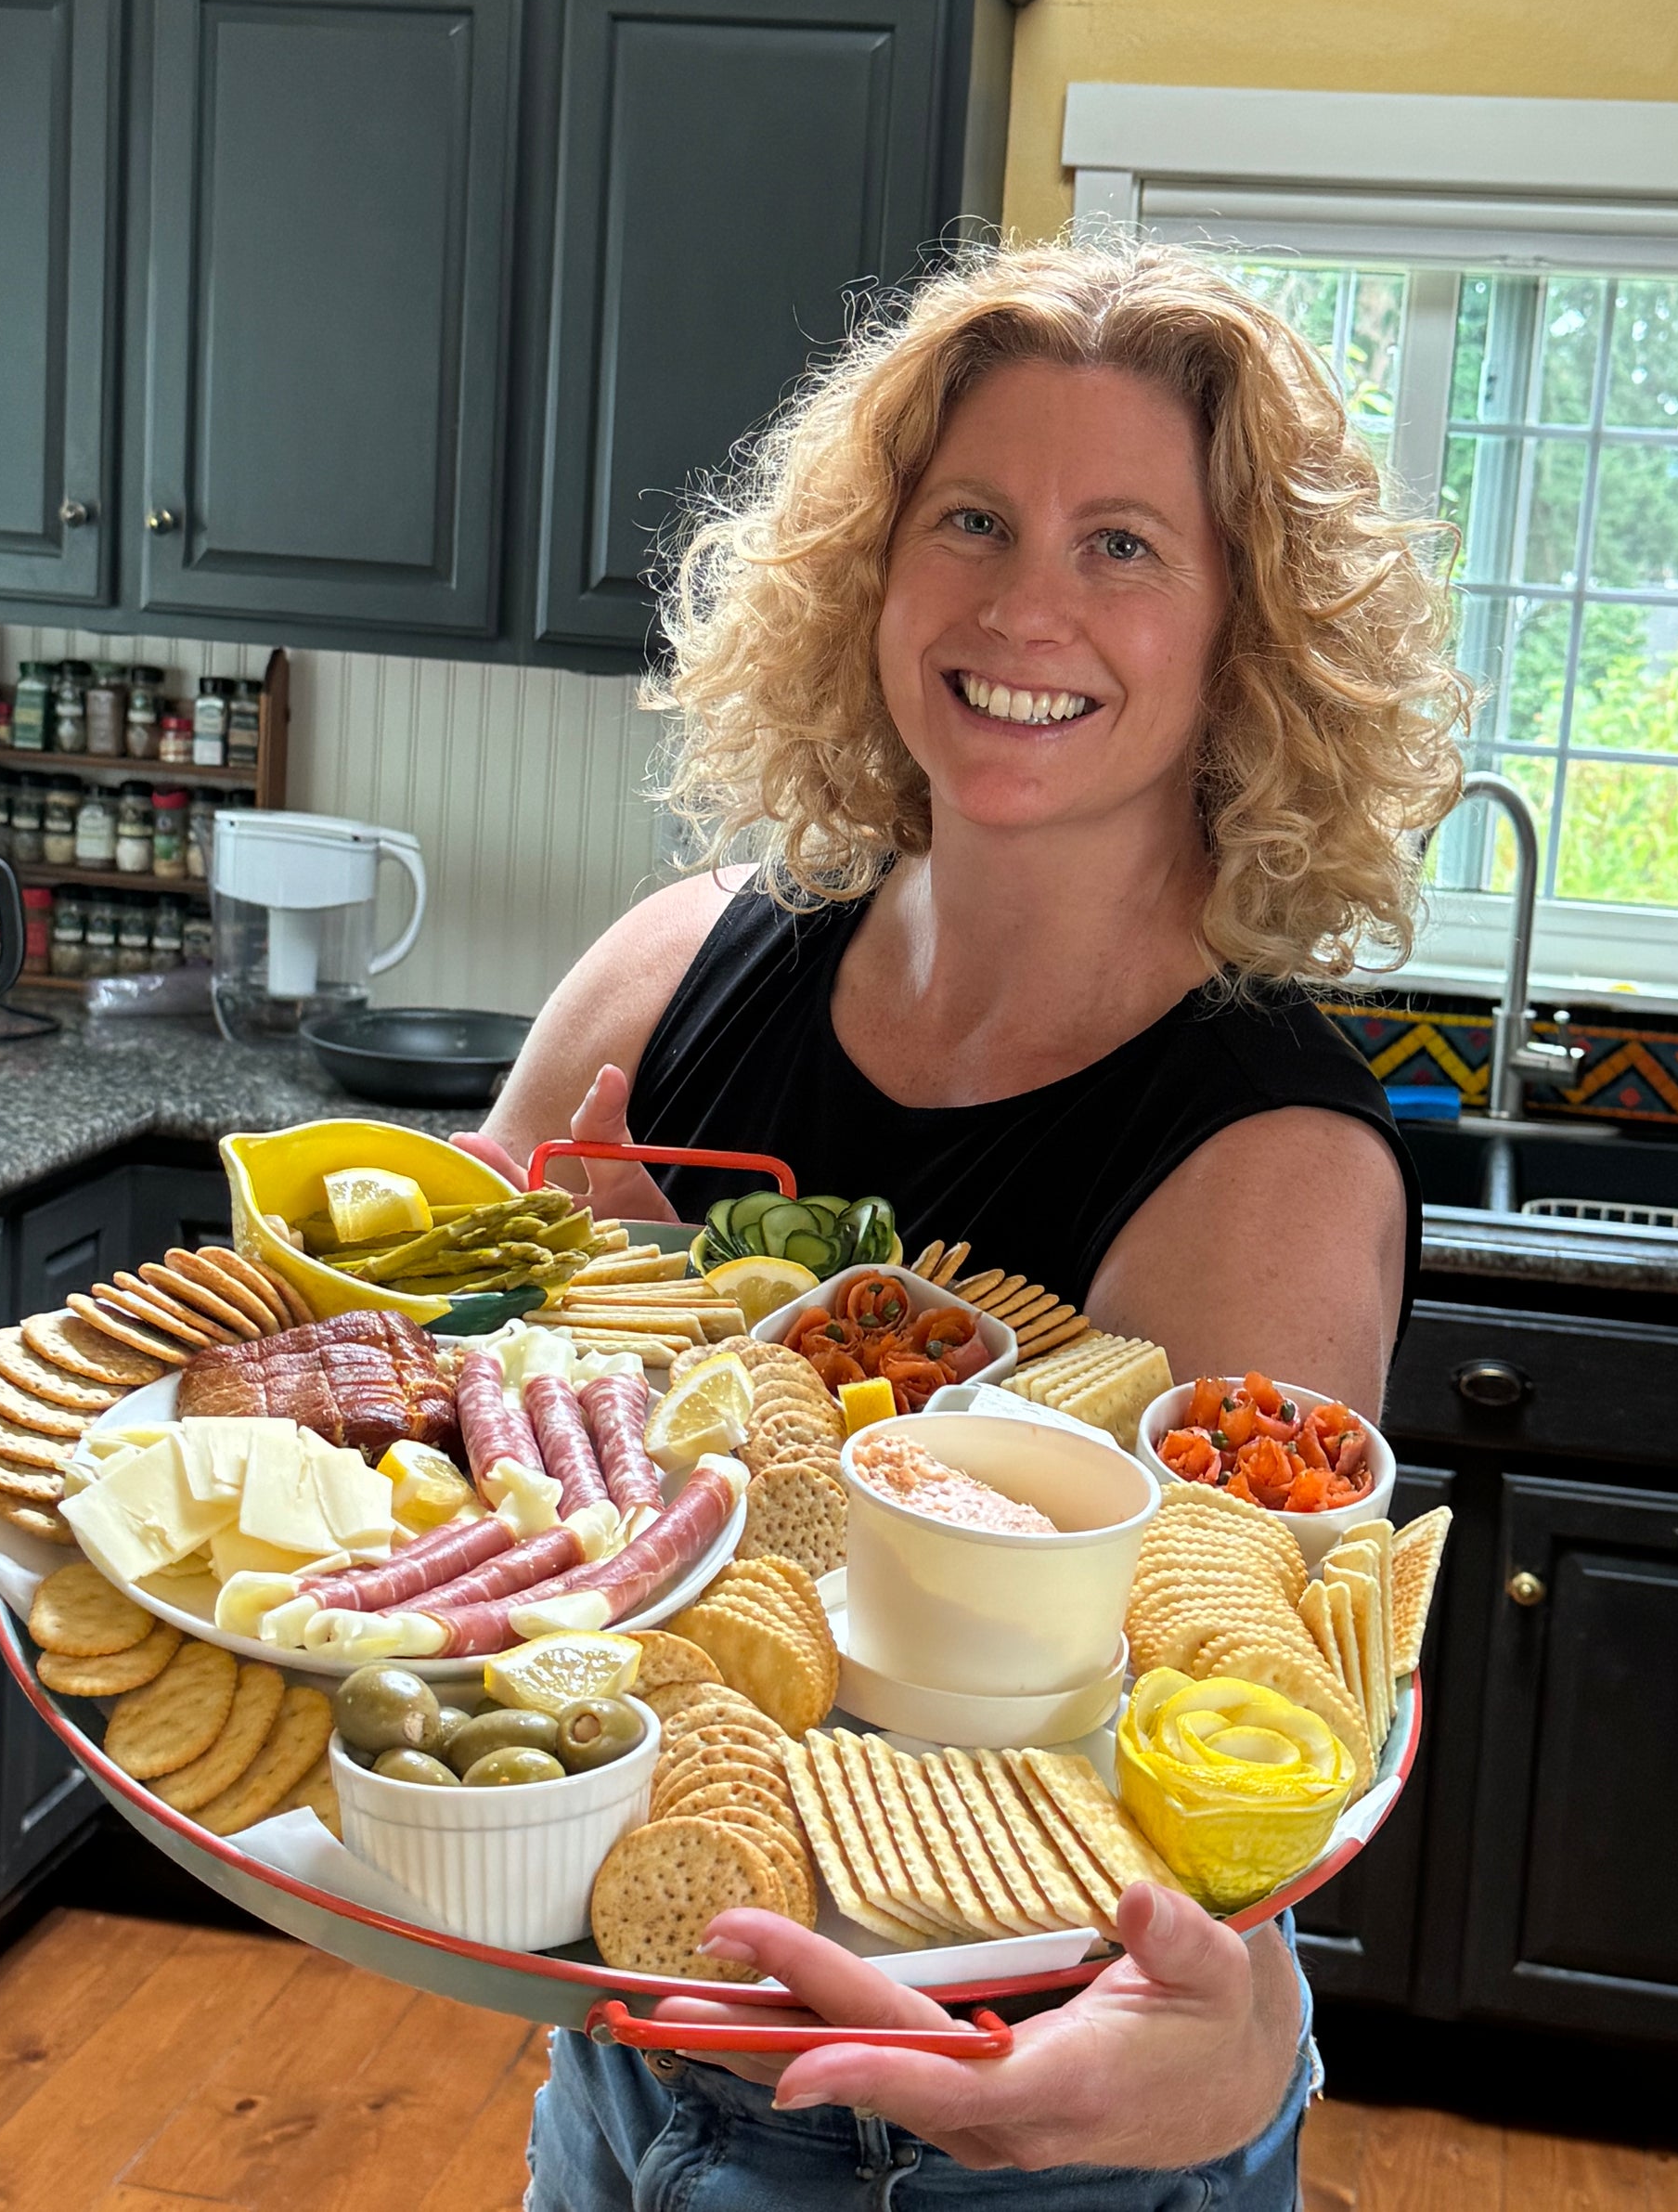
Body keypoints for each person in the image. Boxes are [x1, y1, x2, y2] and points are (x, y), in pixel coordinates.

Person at [456, 238, 1468, 2207]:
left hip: (1009, 2128)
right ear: (870, 567)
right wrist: (581, 1326)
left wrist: (1234, 2047)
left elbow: (1227, 1737)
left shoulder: (1263, 1161)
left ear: (1248, 635)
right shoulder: (671, 970)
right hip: (627, 2041)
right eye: (974, 519)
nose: (1022, 601)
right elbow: (448, 1433)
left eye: (1122, 545)